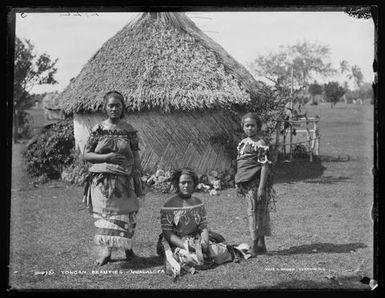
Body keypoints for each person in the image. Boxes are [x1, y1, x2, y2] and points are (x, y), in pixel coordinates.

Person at [83, 90, 145, 266]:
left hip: (125, 180)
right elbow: (86, 155)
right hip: (103, 182)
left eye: (118, 105)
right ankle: (106, 252)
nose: (114, 108)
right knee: (107, 216)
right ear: (105, 107)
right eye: (111, 105)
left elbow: (135, 154)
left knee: (127, 215)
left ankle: (128, 250)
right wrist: (107, 157)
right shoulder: (98, 129)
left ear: (122, 107)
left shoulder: (129, 130)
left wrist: (138, 173)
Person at [156, 168, 249, 278]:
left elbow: (203, 227)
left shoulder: (198, 203)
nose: (186, 185)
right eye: (183, 182)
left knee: (215, 252)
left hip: (195, 239)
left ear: (194, 184)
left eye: (189, 182)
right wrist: (185, 245)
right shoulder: (169, 205)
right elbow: (167, 233)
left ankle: (232, 251)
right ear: (177, 184)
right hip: (177, 241)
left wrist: (204, 242)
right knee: (188, 257)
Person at [234, 112, 276, 257]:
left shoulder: (259, 144)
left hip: (255, 183)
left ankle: (254, 246)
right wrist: (238, 181)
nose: (250, 128)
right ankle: (261, 245)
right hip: (246, 184)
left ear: (258, 127)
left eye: (253, 125)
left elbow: (264, 166)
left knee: (254, 213)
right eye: (247, 125)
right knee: (256, 212)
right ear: (243, 127)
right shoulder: (243, 142)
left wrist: (261, 188)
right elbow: (242, 165)